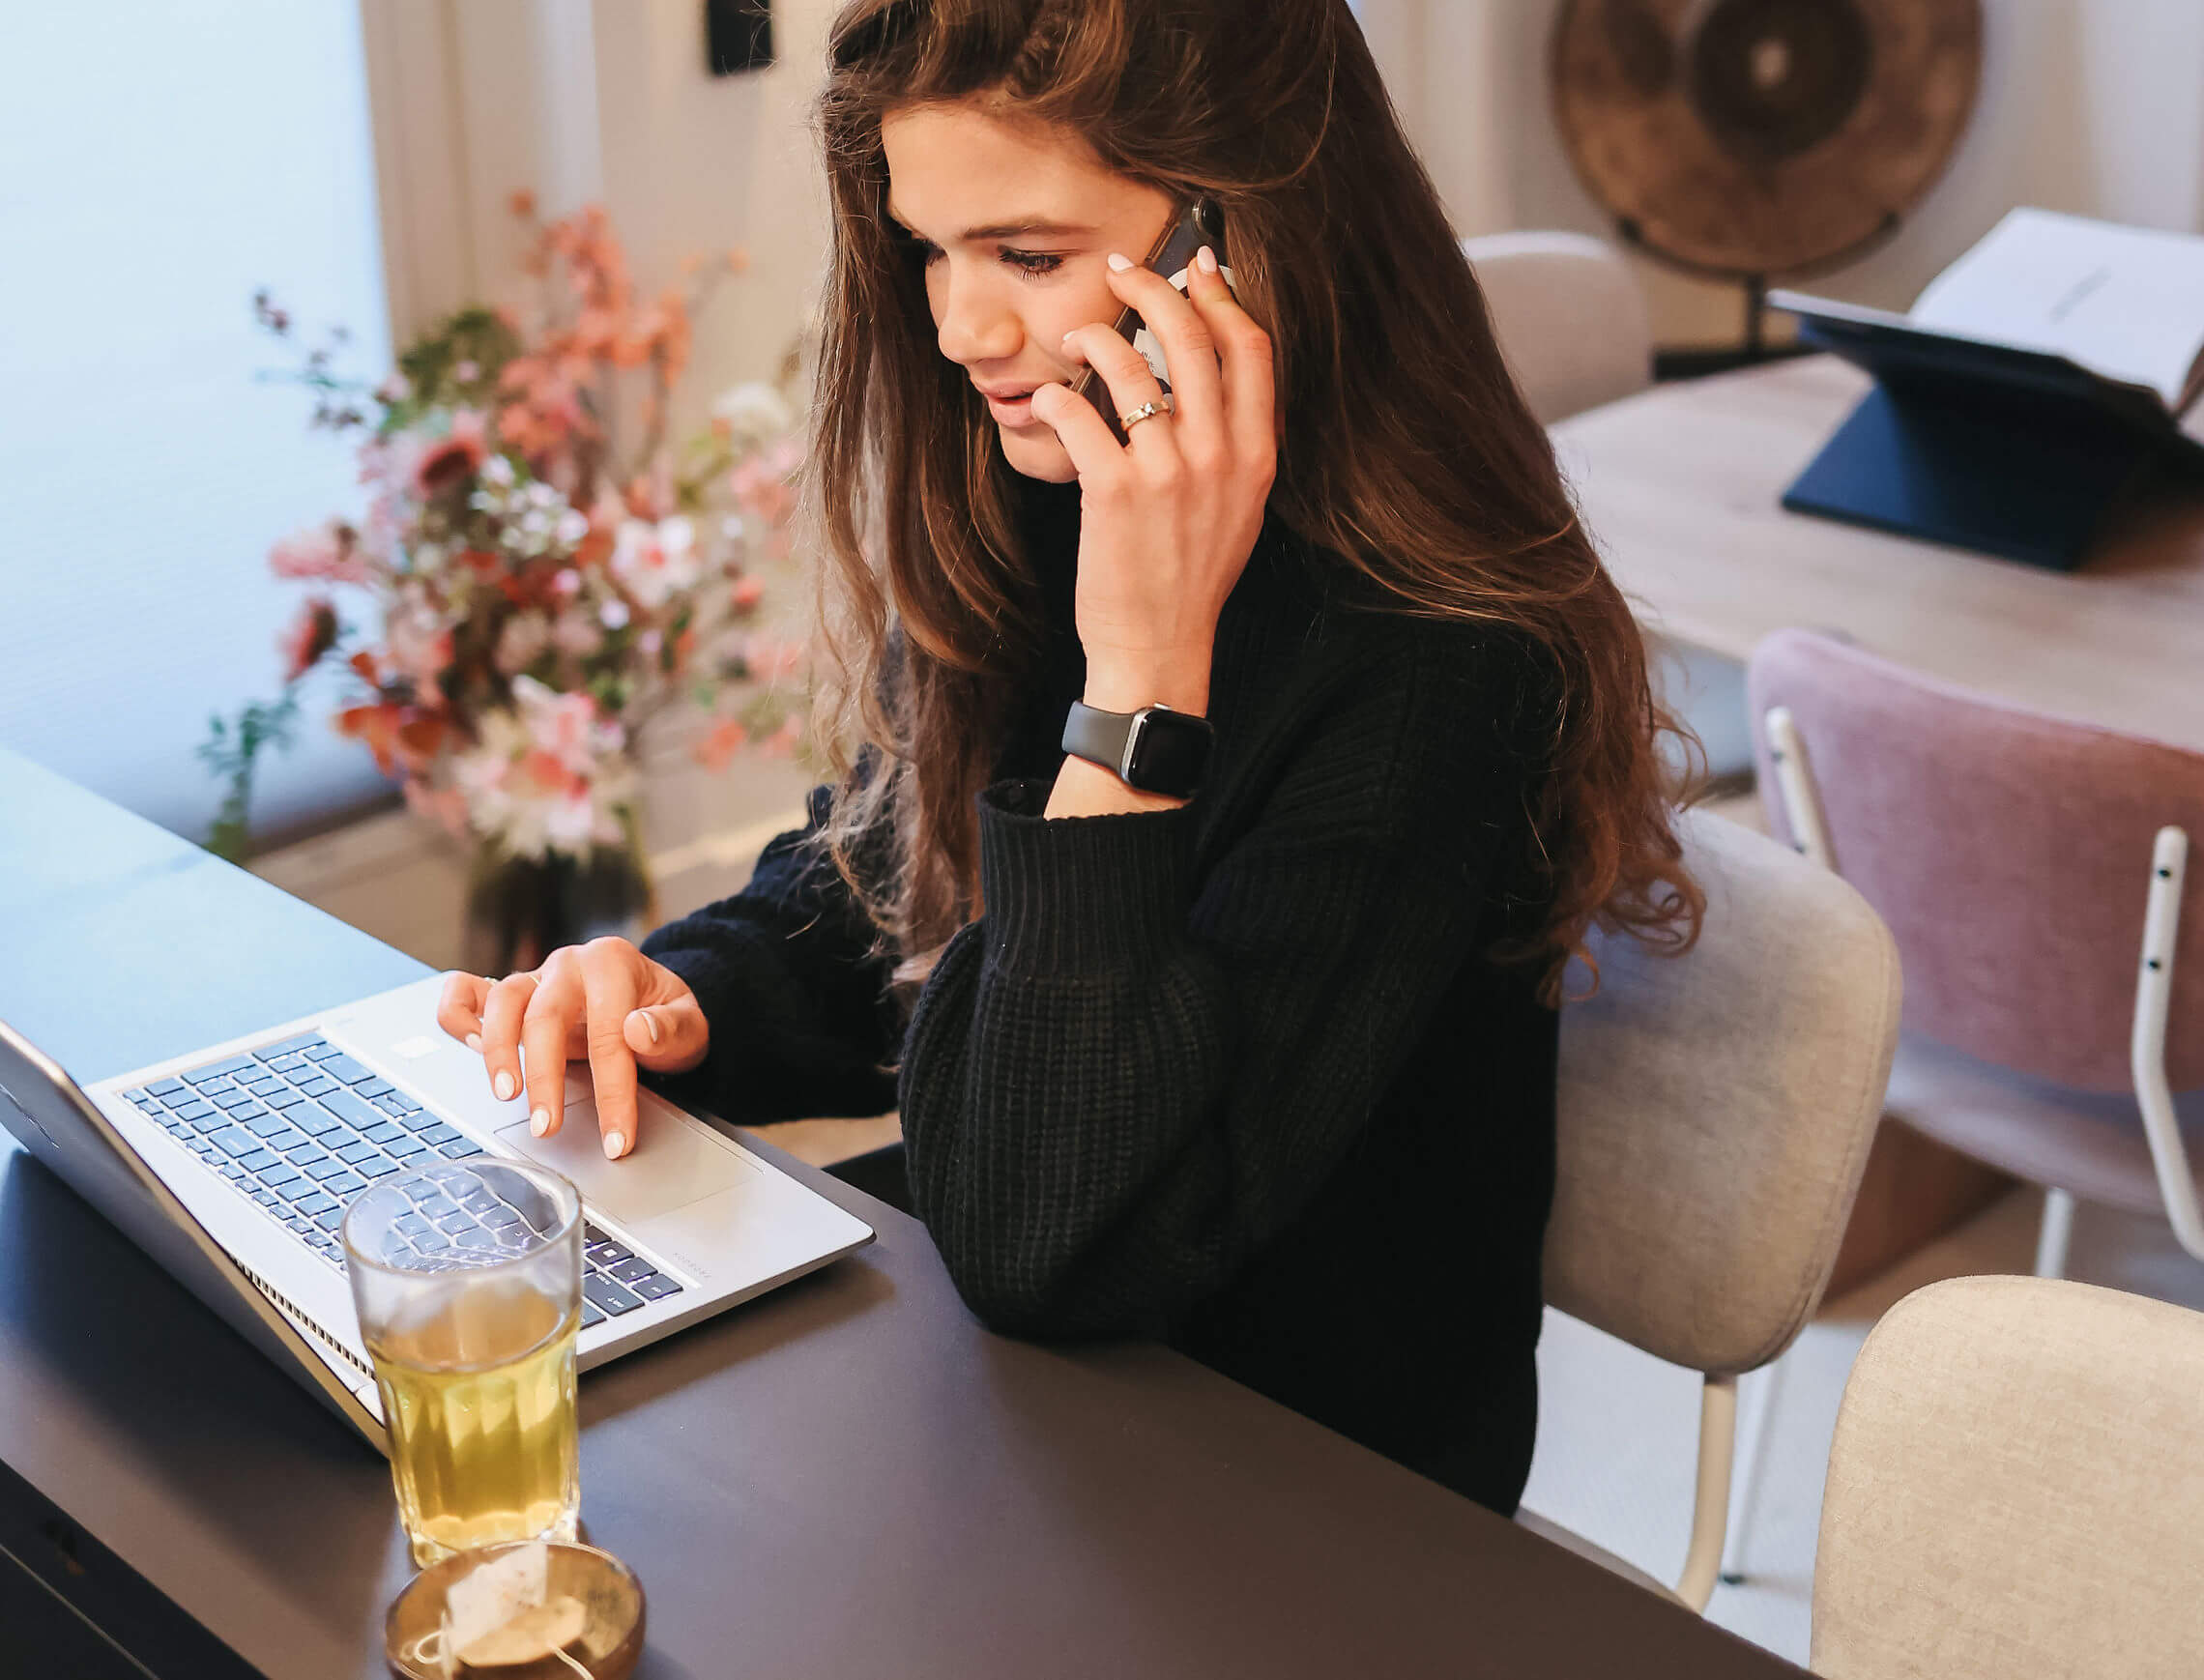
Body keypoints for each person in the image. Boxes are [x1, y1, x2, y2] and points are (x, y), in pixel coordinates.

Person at [436, 0, 1701, 1515]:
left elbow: (1051, 1230)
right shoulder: (1051, 470)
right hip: (1034, 1387)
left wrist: (1137, 689)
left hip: (1303, 1493)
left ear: (1243, 236)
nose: (962, 328)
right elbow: (900, 875)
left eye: (1027, 256)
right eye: (933, 251)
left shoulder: (1441, 662)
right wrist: (683, 993)